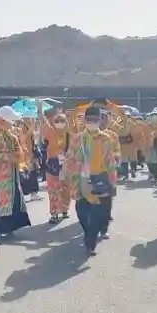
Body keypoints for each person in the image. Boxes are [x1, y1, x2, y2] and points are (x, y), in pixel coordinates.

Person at [64, 105, 119, 255]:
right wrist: (66, 174)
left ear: (100, 120)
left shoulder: (106, 139)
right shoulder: (77, 139)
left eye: (95, 119)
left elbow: (111, 163)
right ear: (84, 120)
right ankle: (88, 233)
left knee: (98, 213)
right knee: (81, 211)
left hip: (99, 179)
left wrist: (113, 183)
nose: (92, 122)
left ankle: (91, 241)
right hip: (81, 179)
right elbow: (69, 158)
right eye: (89, 119)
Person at [0, 106, 32, 236]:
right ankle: (1, 228)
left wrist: (19, 154)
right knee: (1, 201)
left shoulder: (10, 135)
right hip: (0, 174)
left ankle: (11, 226)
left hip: (11, 173)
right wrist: (10, 157)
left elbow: (19, 151)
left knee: (13, 199)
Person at [42, 106, 73, 224]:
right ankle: (54, 213)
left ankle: (64, 210)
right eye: (57, 121)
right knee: (53, 190)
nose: (59, 123)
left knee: (65, 189)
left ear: (66, 123)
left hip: (66, 165)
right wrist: (40, 111)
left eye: (62, 121)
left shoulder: (70, 135)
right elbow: (43, 122)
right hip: (52, 165)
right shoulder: (51, 132)